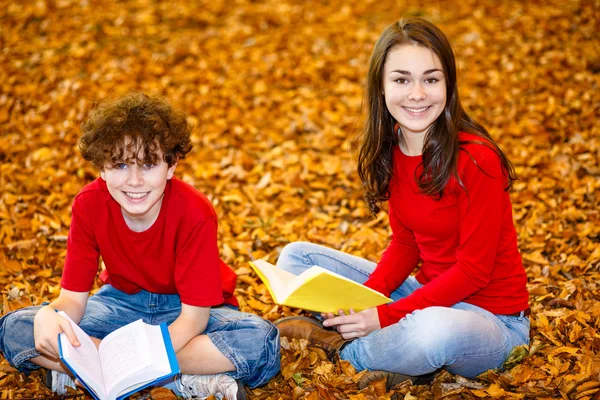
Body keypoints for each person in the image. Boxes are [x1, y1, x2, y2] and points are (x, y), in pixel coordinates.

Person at [275, 17, 530, 388]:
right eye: (401, 79)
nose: (417, 93)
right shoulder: (393, 146)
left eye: (431, 79)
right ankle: (394, 354)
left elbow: (474, 272)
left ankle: (343, 350)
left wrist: (384, 316)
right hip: (428, 295)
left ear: (448, 85)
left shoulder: (477, 159)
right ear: (380, 87)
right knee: (296, 259)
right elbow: (405, 243)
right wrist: (366, 300)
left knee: (433, 332)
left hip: (489, 321)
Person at [0, 92, 280, 399]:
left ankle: (94, 368)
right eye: (120, 165)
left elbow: (194, 319)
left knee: (260, 340)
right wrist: (47, 315)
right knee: (16, 328)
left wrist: (132, 359)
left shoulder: (195, 212)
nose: (134, 181)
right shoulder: (88, 205)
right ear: (102, 168)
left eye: (147, 165)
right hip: (121, 304)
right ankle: (183, 379)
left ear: (171, 165)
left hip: (186, 310)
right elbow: (72, 302)